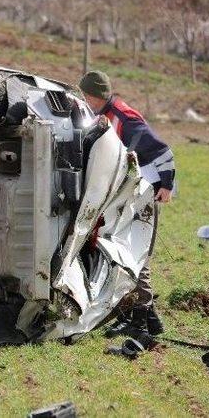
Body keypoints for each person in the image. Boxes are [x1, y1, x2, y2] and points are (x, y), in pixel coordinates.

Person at [79, 70, 175, 337]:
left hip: (144, 195)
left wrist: (166, 184)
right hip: (126, 195)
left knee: (134, 256)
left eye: (85, 95)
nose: (84, 100)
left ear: (94, 96)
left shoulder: (124, 119)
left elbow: (162, 150)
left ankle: (140, 321)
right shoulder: (103, 116)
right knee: (125, 252)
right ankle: (150, 318)